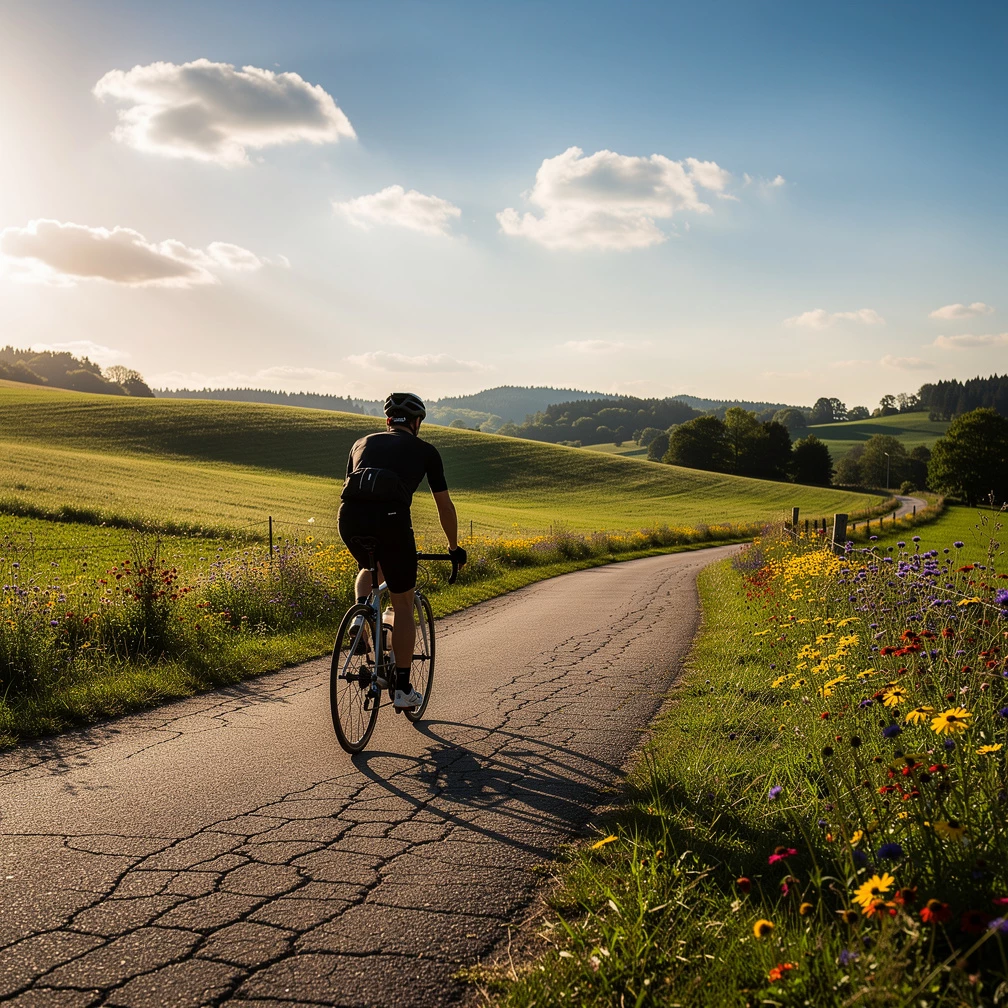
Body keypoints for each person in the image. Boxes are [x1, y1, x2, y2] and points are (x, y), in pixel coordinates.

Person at [338, 392, 467, 710]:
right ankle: (403, 689)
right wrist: (453, 548)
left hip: (349, 520)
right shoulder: (425, 451)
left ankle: (360, 616)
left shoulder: (360, 443)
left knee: (370, 567)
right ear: (417, 422)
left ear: (388, 420)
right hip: (392, 521)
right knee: (403, 604)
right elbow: (445, 506)